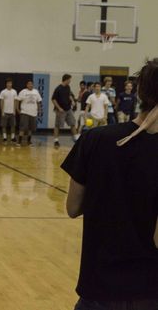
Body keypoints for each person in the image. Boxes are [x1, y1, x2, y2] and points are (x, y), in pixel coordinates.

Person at [61, 58, 158, 310]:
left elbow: (73, 208)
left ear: (138, 92)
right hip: (150, 290)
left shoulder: (94, 140)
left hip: (99, 288)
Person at [52, 74, 80, 147]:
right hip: (60, 110)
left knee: (72, 123)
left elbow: (69, 95)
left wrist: (73, 101)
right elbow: (53, 99)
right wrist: (59, 108)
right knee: (57, 126)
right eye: (69, 80)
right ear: (66, 79)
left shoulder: (68, 87)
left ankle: (76, 138)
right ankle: (56, 141)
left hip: (68, 109)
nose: (70, 81)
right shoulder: (58, 88)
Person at [16, 80, 42, 146]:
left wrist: (39, 110)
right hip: (25, 112)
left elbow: (38, 102)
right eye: (29, 84)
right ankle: (19, 142)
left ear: (33, 85)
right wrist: (17, 109)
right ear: (26, 85)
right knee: (23, 128)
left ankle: (29, 141)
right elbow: (17, 100)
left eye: (31, 84)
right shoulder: (23, 91)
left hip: (33, 113)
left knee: (31, 128)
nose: (30, 85)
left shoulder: (36, 92)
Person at [0, 78, 18, 143]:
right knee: (4, 125)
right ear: (6, 84)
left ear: (12, 84)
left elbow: (15, 101)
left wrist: (14, 110)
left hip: (12, 112)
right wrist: (2, 111)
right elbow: (1, 102)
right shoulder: (3, 92)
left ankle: (13, 137)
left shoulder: (14, 91)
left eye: (10, 83)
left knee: (13, 125)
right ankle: (4, 137)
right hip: (5, 111)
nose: (9, 84)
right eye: (8, 83)